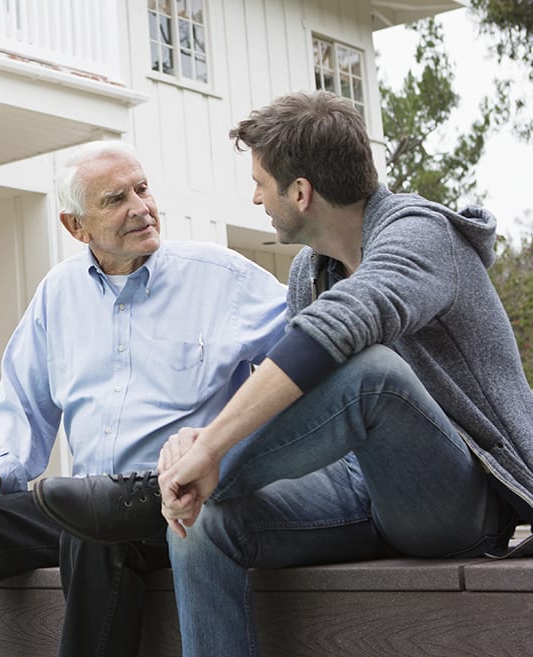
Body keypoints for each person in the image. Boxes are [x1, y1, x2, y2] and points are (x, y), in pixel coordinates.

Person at [150, 90, 533, 656]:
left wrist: (210, 451)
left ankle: (142, 496)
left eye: (261, 183)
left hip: (461, 500)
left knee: (371, 372)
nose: (255, 197)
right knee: (201, 524)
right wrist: (199, 443)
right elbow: (297, 397)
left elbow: (342, 327)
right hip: (358, 489)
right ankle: (176, 489)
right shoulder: (311, 270)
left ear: (300, 192)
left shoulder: (421, 235)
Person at [0, 139, 287, 657]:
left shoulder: (224, 279)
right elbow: (24, 401)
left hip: (175, 502)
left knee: (94, 527)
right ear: (75, 227)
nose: (140, 208)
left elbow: (308, 359)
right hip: (86, 502)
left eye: (142, 188)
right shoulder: (57, 294)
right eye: (115, 199)